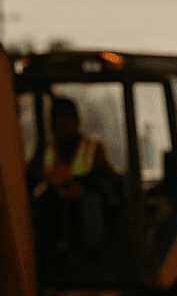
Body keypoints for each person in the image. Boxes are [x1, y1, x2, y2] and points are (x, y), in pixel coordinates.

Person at [27, 95, 120, 254]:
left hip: (84, 212)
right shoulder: (45, 151)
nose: (60, 123)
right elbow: (28, 180)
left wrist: (84, 186)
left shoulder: (92, 148)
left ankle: (91, 255)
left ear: (76, 120)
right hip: (54, 210)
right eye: (56, 118)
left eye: (66, 117)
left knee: (91, 203)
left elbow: (109, 180)